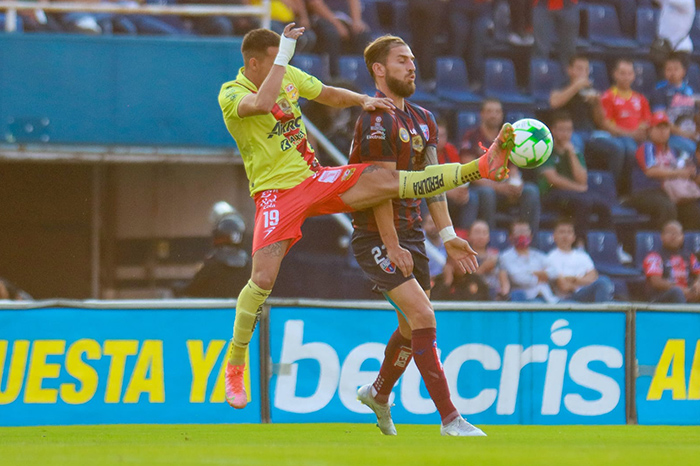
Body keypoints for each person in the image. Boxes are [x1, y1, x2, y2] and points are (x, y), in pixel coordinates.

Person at [217, 25, 515, 413]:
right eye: (275, 61)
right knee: (262, 279)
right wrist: (285, 54)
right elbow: (262, 103)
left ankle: (480, 167)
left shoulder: (286, 72)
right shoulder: (231, 93)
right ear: (254, 64)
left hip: (314, 179)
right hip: (275, 193)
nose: (282, 67)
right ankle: (235, 362)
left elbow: (326, 94)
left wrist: (362, 100)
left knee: (385, 181)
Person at [348, 34, 488, 436]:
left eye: (412, 59)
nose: (412, 66)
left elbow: (432, 182)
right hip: (376, 235)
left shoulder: (424, 119)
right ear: (379, 70)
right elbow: (379, 187)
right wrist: (391, 245)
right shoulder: (376, 118)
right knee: (424, 315)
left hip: (411, 234)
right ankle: (450, 419)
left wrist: (447, 234)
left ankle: (378, 393)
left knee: (412, 328)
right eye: (401, 60)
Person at [460, 98, 541, 235]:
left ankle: (527, 239)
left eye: (497, 111)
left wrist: (516, 185)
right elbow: (469, 172)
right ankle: (489, 239)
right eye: (489, 111)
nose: (493, 115)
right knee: (487, 193)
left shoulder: (509, 138)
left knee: (530, 191)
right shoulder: (472, 136)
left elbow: (513, 169)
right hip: (481, 187)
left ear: (502, 115)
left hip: (503, 186)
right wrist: (498, 187)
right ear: (481, 114)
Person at [549, 56, 625, 186]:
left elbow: (600, 121)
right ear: (570, 70)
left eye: (586, 69)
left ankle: (611, 187)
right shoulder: (562, 85)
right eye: (579, 69)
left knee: (617, 147)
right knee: (576, 145)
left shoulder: (590, 89)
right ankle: (576, 186)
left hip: (590, 132)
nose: (583, 73)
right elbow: (554, 102)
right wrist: (576, 86)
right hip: (570, 132)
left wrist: (597, 103)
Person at [538, 111, 613, 242]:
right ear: (553, 131)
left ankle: (609, 243)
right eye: (561, 130)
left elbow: (582, 180)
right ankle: (579, 242)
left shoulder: (574, 151)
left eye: (568, 130)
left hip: (572, 194)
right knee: (583, 202)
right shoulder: (546, 150)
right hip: (550, 194)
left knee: (603, 205)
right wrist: (578, 188)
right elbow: (553, 179)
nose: (565, 133)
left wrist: (571, 154)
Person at [628, 111, 700, 230]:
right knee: (667, 207)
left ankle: (689, 240)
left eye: (665, 127)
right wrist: (679, 173)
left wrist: (690, 172)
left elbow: (691, 169)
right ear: (650, 130)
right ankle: (663, 240)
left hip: (671, 192)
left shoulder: (676, 151)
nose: (662, 131)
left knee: (694, 210)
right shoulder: (646, 148)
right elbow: (650, 171)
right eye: (658, 127)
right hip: (646, 191)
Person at [175, 202, 251, 298]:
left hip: (216, 308)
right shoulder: (249, 264)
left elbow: (192, 289)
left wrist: (176, 287)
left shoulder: (213, 263)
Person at [600, 58, 652, 194]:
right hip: (618, 137)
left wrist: (642, 130)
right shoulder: (608, 96)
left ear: (634, 76)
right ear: (615, 74)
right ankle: (620, 190)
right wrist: (630, 134)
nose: (626, 77)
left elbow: (647, 121)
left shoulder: (640, 98)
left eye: (629, 73)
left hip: (638, 137)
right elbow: (606, 125)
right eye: (622, 73)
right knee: (629, 148)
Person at [545, 218, 614, 302]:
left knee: (604, 281)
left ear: (574, 237)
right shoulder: (550, 258)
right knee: (602, 283)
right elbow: (564, 287)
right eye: (562, 232)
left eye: (569, 232)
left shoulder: (582, 255)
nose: (565, 236)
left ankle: (603, 309)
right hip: (567, 298)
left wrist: (574, 279)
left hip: (585, 292)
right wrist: (583, 280)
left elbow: (594, 276)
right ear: (554, 236)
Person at [651, 54, 699, 156]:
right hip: (672, 136)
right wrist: (686, 135)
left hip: (692, 133)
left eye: (676, 69)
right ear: (664, 72)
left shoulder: (692, 91)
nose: (672, 73)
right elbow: (661, 121)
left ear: (683, 71)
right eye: (669, 69)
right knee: (694, 149)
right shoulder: (659, 91)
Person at [499, 220, 558, 302]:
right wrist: (542, 276)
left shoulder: (538, 255)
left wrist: (535, 273)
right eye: (518, 232)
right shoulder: (505, 257)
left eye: (525, 231)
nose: (522, 235)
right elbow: (519, 278)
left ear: (530, 236)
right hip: (525, 299)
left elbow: (554, 272)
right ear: (511, 237)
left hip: (548, 298)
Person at [643, 220, 700, 303]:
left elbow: (698, 273)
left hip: (687, 293)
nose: (673, 236)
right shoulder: (654, 257)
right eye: (669, 233)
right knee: (677, 292)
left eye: (677, 233)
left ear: (682, 237)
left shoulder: (690, 256)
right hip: (662, 296)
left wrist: (698, 283)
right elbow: (656, 282)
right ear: (662, 237)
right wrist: (683, 290)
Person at [436, 117, 471, 233]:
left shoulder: (450, 150)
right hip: (431, 193)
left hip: (450, 192)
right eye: (436, 135)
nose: (439, 139)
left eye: (442, 136)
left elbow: (458, 175)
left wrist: (462, 192)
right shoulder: (423, 152)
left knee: (471, 198)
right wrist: (447, 192)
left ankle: (464, 234)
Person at [532, 0, 579, 70]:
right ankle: (540, 75)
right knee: (540, 51)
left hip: (568, 5)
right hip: (542, 5)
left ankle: (568, 76)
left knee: (569, 50)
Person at [469, 220, 509, 300]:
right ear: (469, 236)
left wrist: (503, 293)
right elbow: (468, 281)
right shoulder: (465, 257)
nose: (481, 236)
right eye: (477, 232)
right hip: (474, 295)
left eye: (484, 233)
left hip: (495, 296)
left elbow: (504, 282)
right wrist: (483, 268)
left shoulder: (496, 256)